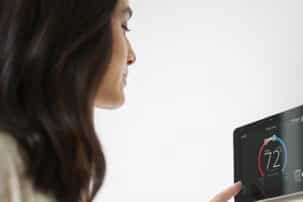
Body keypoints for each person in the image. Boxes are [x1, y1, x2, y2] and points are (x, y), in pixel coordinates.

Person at [0, 0, 241, 201]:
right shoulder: (6, 161)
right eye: (124, 26)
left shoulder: (53, 166)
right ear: (73, 26)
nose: (132, 55)